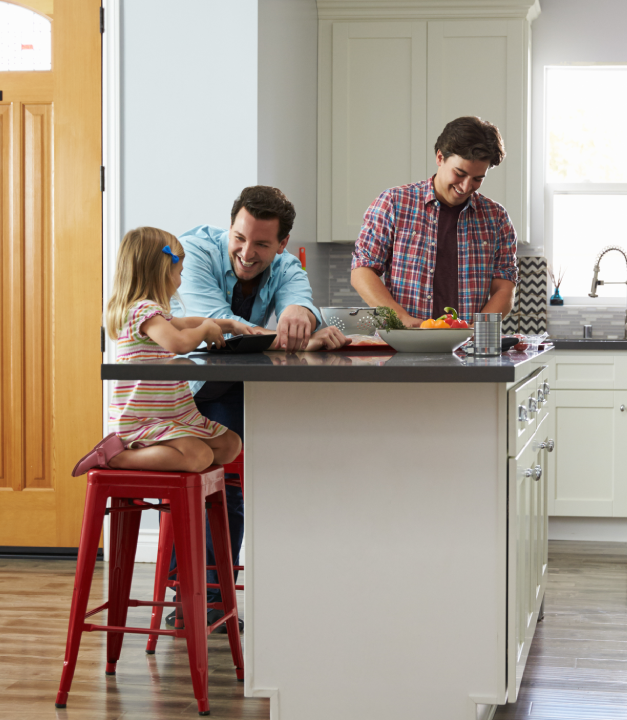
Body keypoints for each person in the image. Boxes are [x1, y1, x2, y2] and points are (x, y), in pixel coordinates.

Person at [174, 186, 347, 632]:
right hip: (175, 387)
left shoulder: (286, 265)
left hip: (228, 383)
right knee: (195, 482)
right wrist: (298, 339)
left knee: (229, 482)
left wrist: (301, 316)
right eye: (239, 237)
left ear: (282, 244)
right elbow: (217, 330)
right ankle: (190, 595)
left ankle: (215, 596)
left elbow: (301, 300)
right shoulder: (194, 252)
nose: (247, 253)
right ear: (229, 226)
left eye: (262, 244)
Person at [72, 226, 244, 476]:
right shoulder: (141, 311)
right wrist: (207, 328)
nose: (180, 281)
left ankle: (175, 457)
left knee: (231, 445)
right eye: (179, 273)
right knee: (200, 455)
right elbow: (179, 343)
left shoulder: (154, 313)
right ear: (162, 272)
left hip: (171, 414)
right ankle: (116, 457)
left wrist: (227, 324)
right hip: (144, 419)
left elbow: (185, 324)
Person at [350, 116, 519, 327]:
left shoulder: (497, 218)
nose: (466, 187)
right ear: (440, 157)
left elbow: (504, 286)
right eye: (460, 173)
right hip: (405, 343)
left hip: (468, 349)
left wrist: (478, 330)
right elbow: (362, 270)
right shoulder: (393, 203)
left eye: (477, 179)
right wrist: (401, 319)